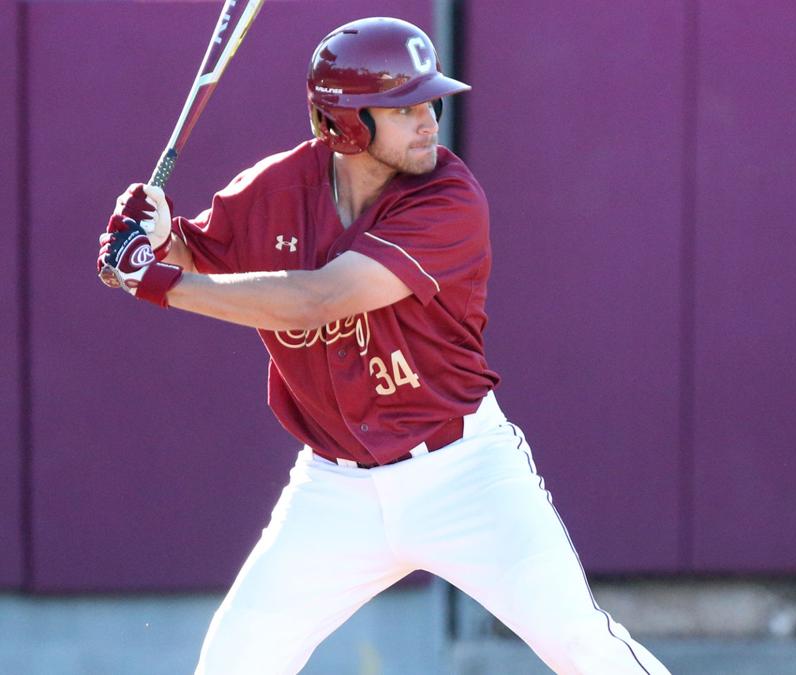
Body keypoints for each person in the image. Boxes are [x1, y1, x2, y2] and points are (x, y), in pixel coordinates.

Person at [97, 17, 669, 675]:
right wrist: (158, 238)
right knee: (236, 659)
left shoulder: (449, 199)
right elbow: (199, 258)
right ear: (345, 124)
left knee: (581, 645)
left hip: (462, 472)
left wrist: (154, 277)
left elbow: (319, 297)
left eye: (430, 101)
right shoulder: (275, 189)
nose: (429, 120)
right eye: (405, 107)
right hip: (333, 488)